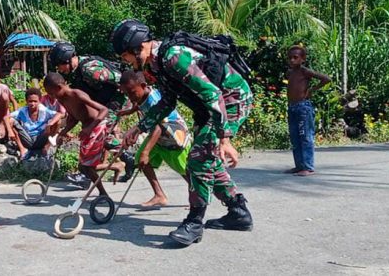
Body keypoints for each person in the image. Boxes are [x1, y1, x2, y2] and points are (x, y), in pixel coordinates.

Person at [111, 19, 253, 246]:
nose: (125, 61)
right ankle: (239, 212)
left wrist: (224, 137)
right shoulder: (154, 66)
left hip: (231, 100)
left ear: (138, 48)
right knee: (207, 161)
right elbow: (167, 102)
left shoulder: (173, 58)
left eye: (125, 56)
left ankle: (194, 223)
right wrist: (139, 127)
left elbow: (213, 93)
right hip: (209, 107)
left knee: (198, 160)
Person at [49, 42, 134, 183]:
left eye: (59, 65)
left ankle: (121, 159)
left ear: (67, 60)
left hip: (115, 101)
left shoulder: (90, 69)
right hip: (101, 103)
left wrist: (134, 101)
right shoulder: (75, 74)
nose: (59, 70)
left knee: (99, 132)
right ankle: (120, 160)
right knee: (94, 132)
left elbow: (122, 79)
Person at [44, 73, 124, 197]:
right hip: (88, 129)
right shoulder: (62, 99)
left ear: (59, 87)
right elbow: (73, 119)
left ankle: (103, 194)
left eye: (52, 93)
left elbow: (104, 110)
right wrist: (62, 134)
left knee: (86, 166)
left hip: (97, 125)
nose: (52, 97)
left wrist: (90, 128)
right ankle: (115, 167)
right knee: (83, 167)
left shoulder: (76, 94)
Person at [118, 70, 191, 207]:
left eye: (132, 93)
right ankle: (159, 195)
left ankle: (197, 195)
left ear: (144, 85)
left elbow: (159, 127)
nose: (131, 97)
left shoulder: (154, 100)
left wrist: (146, 152)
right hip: (158, 136)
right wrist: (130, 111)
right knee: (140, 159)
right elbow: (138, 104)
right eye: (127, 94)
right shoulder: (141, 95)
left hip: (173, 136)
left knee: (183, 169)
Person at [286, 45, 331, 177]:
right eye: (290, 58)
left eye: (295, 57)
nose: (292, 60)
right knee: (295, 137)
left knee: (305, 136)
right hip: (292, 107)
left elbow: (326, 79)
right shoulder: (290, 73)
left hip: (303, 107)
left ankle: (308, 167)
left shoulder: (304, 71)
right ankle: (299, 165)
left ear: (303, 59)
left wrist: (312, 90)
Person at [8, 88, 63, 157]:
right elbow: (7, 117)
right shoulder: (22, 111)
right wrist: (10, 131)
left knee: (57, 121)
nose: (32, 104)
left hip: (41, 139)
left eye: (35, 101)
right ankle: (22, 148)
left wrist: (50, 124)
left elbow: (59, 114)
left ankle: (47, 146)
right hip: (27, 139)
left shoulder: (44, 110)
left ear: (39, 101)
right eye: (30, 101)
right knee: (11, 121)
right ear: (26, 101)